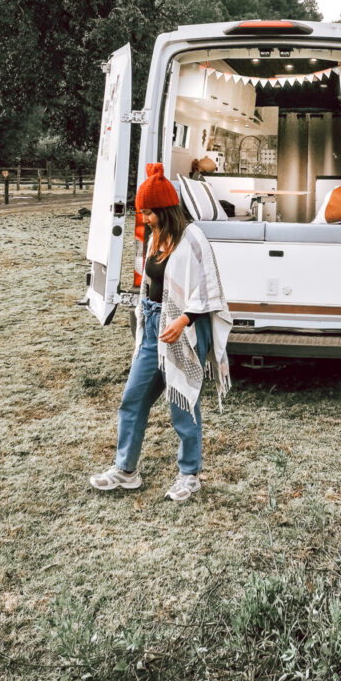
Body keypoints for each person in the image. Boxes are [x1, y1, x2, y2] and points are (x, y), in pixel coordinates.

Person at [90, 163, 232, 502]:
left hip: (183, 330)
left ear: (166, 210)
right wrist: (145, 316)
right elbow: (152, 283)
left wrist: (182, 320)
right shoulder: (156, 237)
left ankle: (190, 475)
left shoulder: (193, 238)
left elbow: (210, 289)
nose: (146, 218)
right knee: (132, 399)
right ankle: (126, 470)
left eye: (150, 212)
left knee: (183, 402)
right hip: (154, 326)